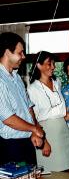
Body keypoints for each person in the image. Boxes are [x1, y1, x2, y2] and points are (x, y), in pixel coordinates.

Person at [0, 32, 44, 165]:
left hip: (26, 141)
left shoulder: (17, 77)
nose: (23, 57)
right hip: (10, 145)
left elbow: (28, 107)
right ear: (8, 52)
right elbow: (8, 118)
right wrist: (34, 129)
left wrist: (34, 129)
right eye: (20, 53)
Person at [27, 51, 69, 172]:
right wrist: (44, 141)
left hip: (62, 130)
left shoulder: (57, 83)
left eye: (53, 63)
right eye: (49, 63)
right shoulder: (32, 89)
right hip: (47, 132)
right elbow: (33, 118)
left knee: (66, 171)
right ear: (39, 65)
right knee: (51, 175)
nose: (53, 66)